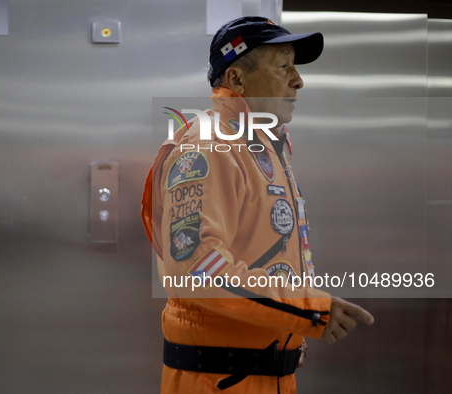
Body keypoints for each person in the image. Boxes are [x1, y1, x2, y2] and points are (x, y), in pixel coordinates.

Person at [141, 16, 374, 394]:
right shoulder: (211, 145)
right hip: (219, 381)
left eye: (294, 67)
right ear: (236, 80)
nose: (298, 80)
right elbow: (196, 265)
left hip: (265, 374)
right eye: (283, 67)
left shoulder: (259, 145)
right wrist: (307, 309)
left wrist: (285, 334)